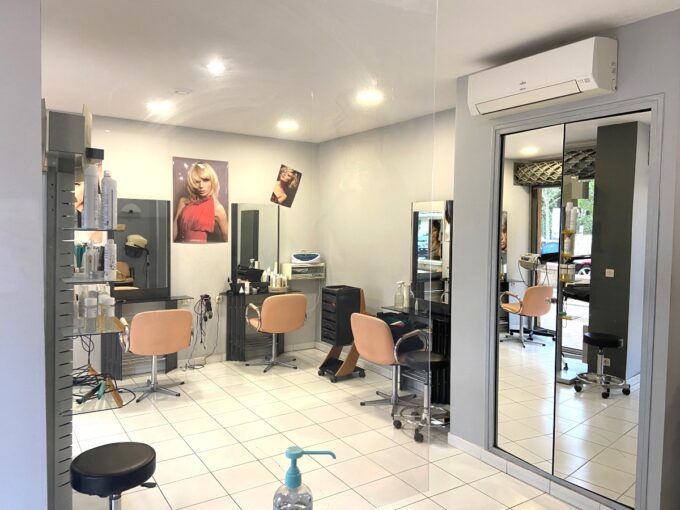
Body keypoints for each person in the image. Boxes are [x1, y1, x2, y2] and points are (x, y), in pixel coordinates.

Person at [174, 161, 228, 242]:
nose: (201, 186)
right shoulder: (183, 202)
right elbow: (173, 233)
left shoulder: (217, 208)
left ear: (212, 181)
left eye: (206, 180)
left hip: (201, 249)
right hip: (179, 248)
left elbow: (228, 239)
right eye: (197, 181)